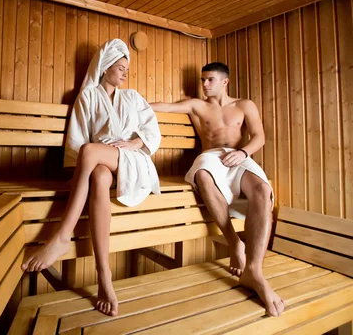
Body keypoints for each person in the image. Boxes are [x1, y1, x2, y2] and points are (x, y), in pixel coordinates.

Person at [21, 39, 162, 316]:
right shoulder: (87, 97)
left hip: (133, 161)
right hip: (102, 164)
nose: (124, 73)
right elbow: (78, 136)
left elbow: (151, 130)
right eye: (119, 68)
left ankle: (62, 236)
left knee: (90, 151)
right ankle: (103, 275)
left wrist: (134, 144)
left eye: (127, 70)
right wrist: (81, 174)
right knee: (97, 175)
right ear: (105, 67)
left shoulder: (132, 97)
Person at [149, 61, 284, 317]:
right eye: (202, 80)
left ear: (225, 81)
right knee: (201, 173)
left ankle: (254, 270)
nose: (204, 84)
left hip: (238, 155)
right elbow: (160, 106)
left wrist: (243, 152)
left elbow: (259, 136)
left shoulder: (244, 105)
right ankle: (234, 243)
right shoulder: (196, 105)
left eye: (209, 79)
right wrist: (122, 98)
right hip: (210, 157)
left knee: (263, 191)